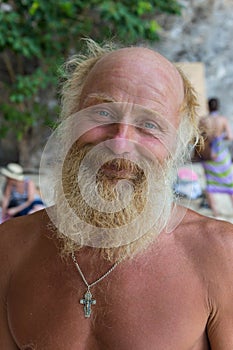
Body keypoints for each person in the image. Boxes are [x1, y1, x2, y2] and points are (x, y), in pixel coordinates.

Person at [1, 39, 233, 350]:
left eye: (149, 124)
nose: (120, 143)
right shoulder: (10, 247)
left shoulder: (221, 256)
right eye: (102, 113)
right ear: (70, 119)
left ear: (179, 144)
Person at [200, 98, 233, 216]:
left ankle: (215, 213)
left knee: (210, 182)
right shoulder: (222, 119)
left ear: (208, 107)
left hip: (209, 154)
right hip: (221, 154)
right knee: (229, 182)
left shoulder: (203, 120)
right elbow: (230, 137)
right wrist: (220, 137)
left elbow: (200, 137)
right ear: (218, 107)